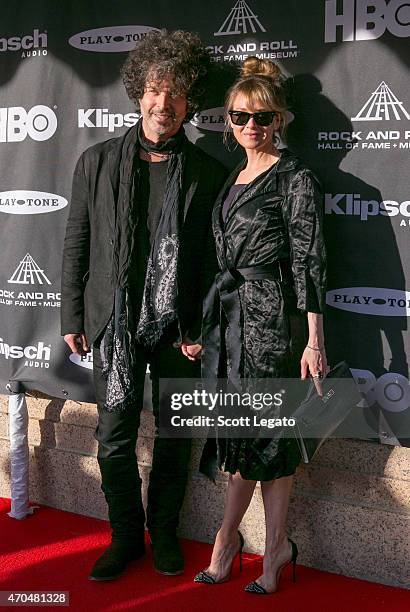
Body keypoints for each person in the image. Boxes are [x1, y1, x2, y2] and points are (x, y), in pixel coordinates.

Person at [61, 29, 226, 581]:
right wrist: (72, 317)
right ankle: (126, 536)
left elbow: (209, 263)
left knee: (176, 439)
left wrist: (200, 323)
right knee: (114, 437)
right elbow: (77, 243)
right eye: (155, 89)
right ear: (138, 93)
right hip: (113, 323)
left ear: (189, 102)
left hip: (179, 329)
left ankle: (165, 536)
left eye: (176, 93)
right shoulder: (97, 161)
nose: (164, 103)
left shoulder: (207, 172)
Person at [193, 57, 327, 594]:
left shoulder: (295, 177)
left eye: (263, 117)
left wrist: (314, 340)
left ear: (280, 120)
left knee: (269, 440)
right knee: (239, 436)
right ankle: (238, 541)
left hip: (273, 323)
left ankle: (262, 547)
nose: (251, 126)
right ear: (227, 121)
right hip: (230, 323)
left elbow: (309, 260)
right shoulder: (233, 175)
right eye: (240, 117)